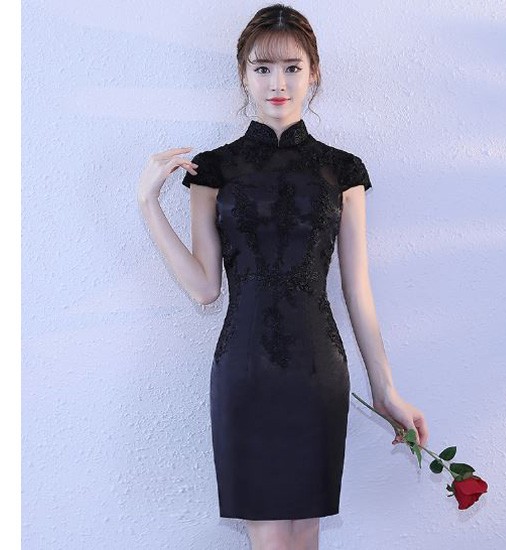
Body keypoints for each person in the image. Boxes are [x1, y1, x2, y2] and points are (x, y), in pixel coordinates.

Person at [137, 4, 429, 550]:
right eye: (263, 68)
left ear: (313, 72)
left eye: (292, 67)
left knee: (305, 536)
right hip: (245, 369)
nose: (278, 83)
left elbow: (357, 289)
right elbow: (204, 287)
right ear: (243, 74)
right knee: (270, 538)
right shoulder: (214, 170)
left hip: (317, 370)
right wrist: (147, 203)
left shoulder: (343, 170)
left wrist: (386, 390)